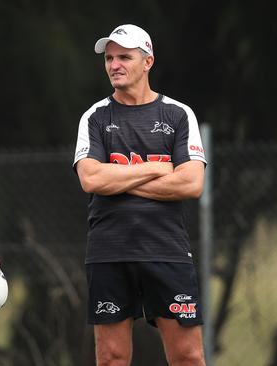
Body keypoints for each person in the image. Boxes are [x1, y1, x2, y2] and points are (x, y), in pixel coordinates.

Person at [72, 24, 207, 366]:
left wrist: (117, 178)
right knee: (112, 358)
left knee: (188, 356)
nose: (114, 64)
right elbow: (91, 179)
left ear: (147, 62)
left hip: (167, 250)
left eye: (124, 57)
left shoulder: (178, 114)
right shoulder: (96, 117)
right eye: (109, 58)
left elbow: (190, 184)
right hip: (109, 252)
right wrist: (158, 168)